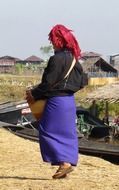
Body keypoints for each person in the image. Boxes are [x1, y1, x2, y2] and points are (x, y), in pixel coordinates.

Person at [26, 24, 83, 179]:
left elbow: (48, 83)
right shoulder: (74, 60)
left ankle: (64, 164)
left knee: (47, 131)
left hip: (56, 102)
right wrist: (67, 89)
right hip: (69, 102)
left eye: (52, 40)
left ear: (58, 40)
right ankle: (64, 165)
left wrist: (34, 94)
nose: (51, 44)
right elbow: (83, 81)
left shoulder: (56, 59)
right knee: (67, 133)